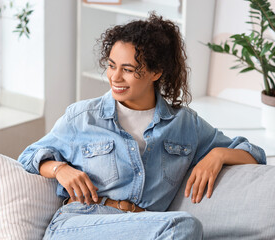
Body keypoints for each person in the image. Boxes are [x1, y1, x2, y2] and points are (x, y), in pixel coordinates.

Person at [18, 12, 266, 240]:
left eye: (127, 69)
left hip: (145, 228)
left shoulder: (184, 125)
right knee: (184, 226)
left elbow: (254, 154)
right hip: (79, 225)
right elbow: (28, 157)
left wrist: (218, 154)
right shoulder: (83, 117)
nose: (115, 77)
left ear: (156, 72)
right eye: (111, 65)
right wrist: (60, 169)